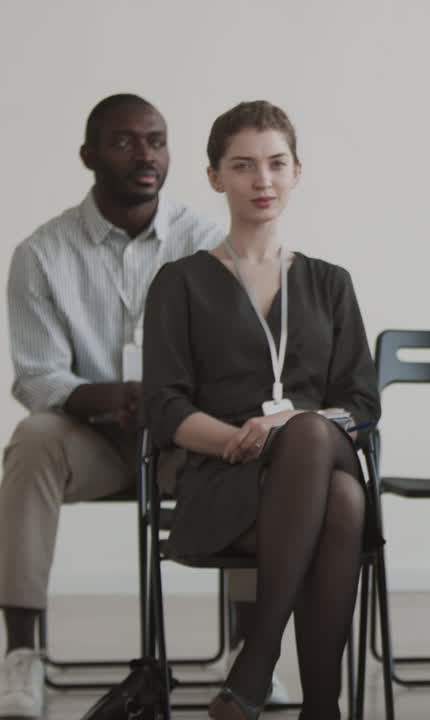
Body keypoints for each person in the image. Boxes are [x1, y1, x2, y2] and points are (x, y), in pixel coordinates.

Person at [143, 100, 379, 720]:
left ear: (297, 171)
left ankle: (256, 662)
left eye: (276, 164)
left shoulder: (331, 283)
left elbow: (360, 405)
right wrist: (235, 440)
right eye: (243, 166)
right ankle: (318, 704)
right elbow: (163, 407)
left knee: (308, 433)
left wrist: (286, 426)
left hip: (313, 457)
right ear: (217, 177)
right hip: (224, 478)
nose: (263, 180)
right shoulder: (180, 282)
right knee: (345, 502)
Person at [0, 94, 224, 718]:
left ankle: (242, 648)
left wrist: (168, 402)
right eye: (125, 142)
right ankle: (21, 655)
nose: (145, 154)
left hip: (183, 439)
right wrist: (108, 397)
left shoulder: (206, 242)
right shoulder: (41, 253)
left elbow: (229, 359)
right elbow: (38, 376)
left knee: (248, 449)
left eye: (156, 140)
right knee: (32, 438)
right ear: (88, 155)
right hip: (92, 439)